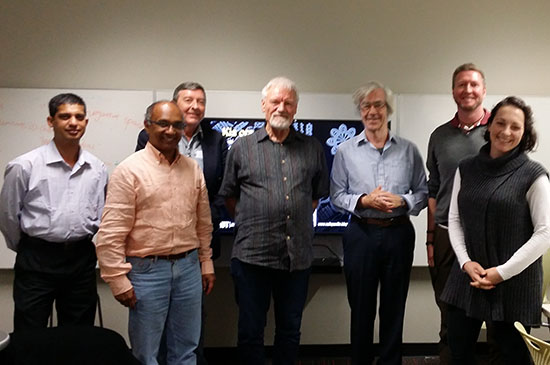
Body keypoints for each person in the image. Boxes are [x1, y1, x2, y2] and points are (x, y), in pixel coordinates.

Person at [219, 76, 329, 365]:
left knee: (290, 331)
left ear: (296, 109)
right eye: (275, 101)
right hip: (252, 258)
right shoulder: (241, 148)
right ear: (264, 106)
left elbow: (316, 197)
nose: (282, 107)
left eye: (288, 102)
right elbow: (228, 196)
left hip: (297, 259)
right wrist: (250, 221)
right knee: (250, 332)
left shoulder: (313, 147)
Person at [96, 100, 214, 365]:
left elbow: (203, 223)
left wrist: (206, 263)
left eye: (177, 125)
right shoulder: (129, 170)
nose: (170, 131)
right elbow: (111, 233)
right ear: (147, 125)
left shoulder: (192, 169)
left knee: (186, 350)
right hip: (147, 272)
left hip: (188, 269)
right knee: (146, 354)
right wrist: (118, 279)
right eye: (163, 123)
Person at [441, 96, 550, 365]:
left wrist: (501, 273)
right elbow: (455, 219)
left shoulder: (533, 174)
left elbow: (545, 233)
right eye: (500, 123)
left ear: (525, 133)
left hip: (513, 279)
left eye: (515, 126)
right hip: (469, 273)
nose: (506, 131)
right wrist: (465, 262)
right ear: (489, 126)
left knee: (511, 354)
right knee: (458, 348)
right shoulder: (466, 167)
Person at [330, 81, 428, 365]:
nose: (373, 111)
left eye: (379, 105)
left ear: (389, 110)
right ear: (360, 111)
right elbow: (336, 195)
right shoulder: (345, 151)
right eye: (366, 106)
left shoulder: (409, 150)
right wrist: (363, 201)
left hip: (398, 233)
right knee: (360, 309)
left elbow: (422, 193)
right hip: (361, 234)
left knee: (394, 308)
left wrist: (402, 202)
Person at [135, 82, 227, 364]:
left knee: (191, 327)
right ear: (175, 105)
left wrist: (203, 222)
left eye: (200, 101)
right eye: (188, 100)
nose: (195, 106)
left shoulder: (215, 139)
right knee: (153, 332)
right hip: (154, 252)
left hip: (196, 247)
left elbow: (223, 190)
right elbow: (147, 184)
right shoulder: (148, 138)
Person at [0, 93, 108, 331]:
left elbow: (101, 214)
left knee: (78, 333)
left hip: (80, 259)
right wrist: (29, 246)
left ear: (86, 122)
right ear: (51, 121)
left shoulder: (97, 168)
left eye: (79, 117)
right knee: (30, 332)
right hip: (37, 259)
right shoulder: (24, 166)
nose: (73, 122)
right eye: (65, 116)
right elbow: (8, 216)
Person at [425, 63, 490, 363]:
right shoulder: (439, 136)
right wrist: (429, 240)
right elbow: (433, 190)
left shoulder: (499, 133)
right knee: (449, 317)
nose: (468, 90)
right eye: (462, 84)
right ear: (453, 91)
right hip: (445, 239)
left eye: (474, 84)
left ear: (483, 90)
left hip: (487, 239)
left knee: (494, 319)